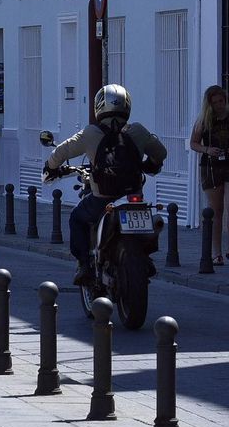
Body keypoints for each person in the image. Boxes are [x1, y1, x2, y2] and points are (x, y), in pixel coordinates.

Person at [44, 84, 167, 285]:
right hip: (132, 197)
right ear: (127, 105)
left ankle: (84, 265)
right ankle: (145, 258)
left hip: (102, 199)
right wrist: (149, 164)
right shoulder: (138, 131)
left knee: (76, 218)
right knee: (147, 215)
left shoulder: (91, 133)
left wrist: (50, 167)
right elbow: (161, 153)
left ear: (99, 106)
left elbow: (62, 151)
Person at [190, 85, 229, 264]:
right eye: (215, 103)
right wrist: (207, 149)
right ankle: (216, 253)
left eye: (221, 101)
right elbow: (194, 143)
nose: (219, 105)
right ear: (209, 105)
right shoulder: (204, 121)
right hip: (211, 167)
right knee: (216, 210)